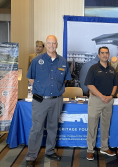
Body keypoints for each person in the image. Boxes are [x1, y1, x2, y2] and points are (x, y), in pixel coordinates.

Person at [25, 35, 71, 167]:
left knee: (53, 127)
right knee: (37, 128)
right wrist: (41, 90)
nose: (51, 45)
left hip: (56, 100)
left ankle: (50, 151)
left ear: (57, 45)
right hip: (40, 101)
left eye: (54, 43)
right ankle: (31, 156)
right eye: (49, 43)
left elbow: (65, 79)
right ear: (46, 44)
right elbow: (31, 78)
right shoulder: (36, 60)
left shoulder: (63, 61)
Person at [84, 46, 118, 161]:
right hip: (96, 100)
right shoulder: (93, 68)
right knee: (92, 126)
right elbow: (89, 84)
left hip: (108, 101)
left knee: (105, 125)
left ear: (109, 55)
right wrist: (101, 96)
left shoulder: (112, 69)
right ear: (98, 55)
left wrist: (111, 96)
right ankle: (90, 150)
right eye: (102, 53)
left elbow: (115, 85)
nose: (105, 55)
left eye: (106, 53)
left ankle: (104, 147)